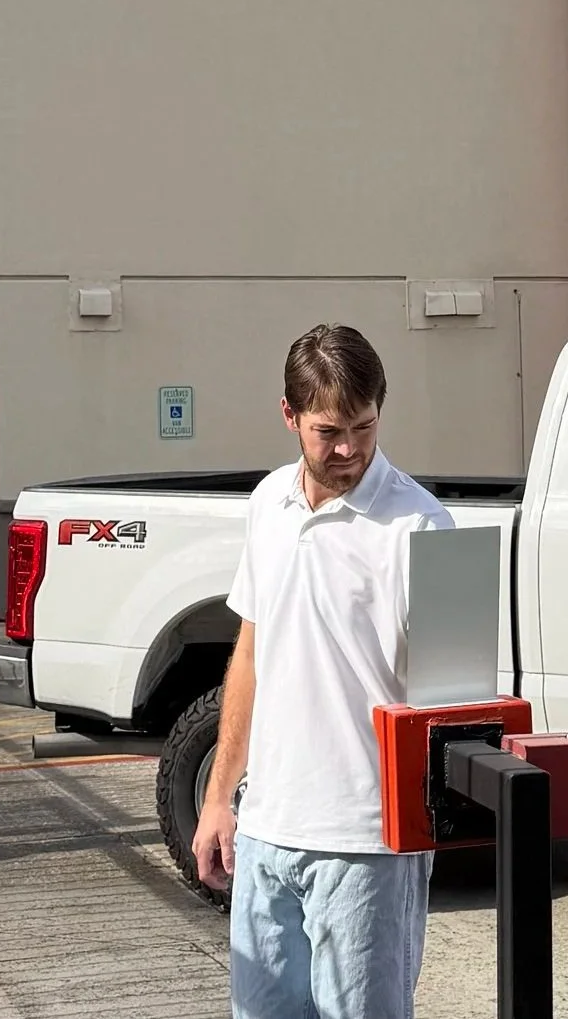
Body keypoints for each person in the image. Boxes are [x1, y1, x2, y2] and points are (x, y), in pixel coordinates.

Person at [192, 324, 453, 1019]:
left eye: (364, 427)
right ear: (289, 415)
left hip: (367, 844)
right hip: (267, 830)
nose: (348, 449)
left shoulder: (425, 528)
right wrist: (220, 799)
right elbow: (251, 655)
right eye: (328, 431)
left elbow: (456, 709)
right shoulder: (268, 503)